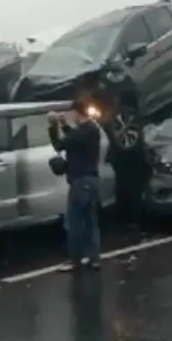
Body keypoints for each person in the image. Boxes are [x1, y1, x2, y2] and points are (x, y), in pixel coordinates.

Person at [48, 99, 101, 271]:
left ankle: (74, 260)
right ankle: (93, 258)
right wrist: (63, 124)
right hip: (92, 181)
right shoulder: (91, 130)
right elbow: (73, 137)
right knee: (90, 221)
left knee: (73, 222)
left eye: (73, 115)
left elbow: (59, 144)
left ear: (78, 113)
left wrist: (53, 125)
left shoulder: (83, 133)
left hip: (80, 182)